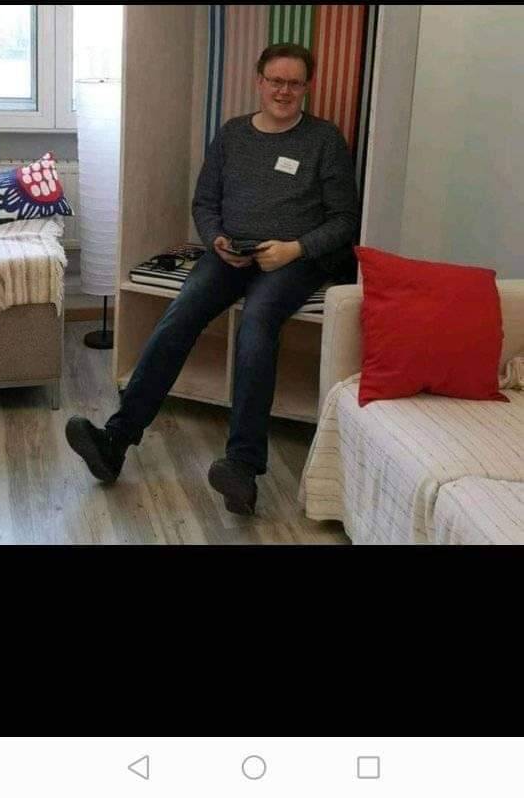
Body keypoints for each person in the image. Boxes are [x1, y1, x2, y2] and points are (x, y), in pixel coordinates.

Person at [66, 43, 359, 515]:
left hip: (293, 260)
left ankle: (242, 468)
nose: (284, 91)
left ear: (307, 87)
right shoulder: (232, 134)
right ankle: (115, 442)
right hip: (230, 254)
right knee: (180, 315)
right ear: (259, 81)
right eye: (276, 81)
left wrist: (294, 249)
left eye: (294, 83)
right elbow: (204, 202)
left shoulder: (324, 140)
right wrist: (216, 238)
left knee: (257, 326)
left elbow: (345, 220)